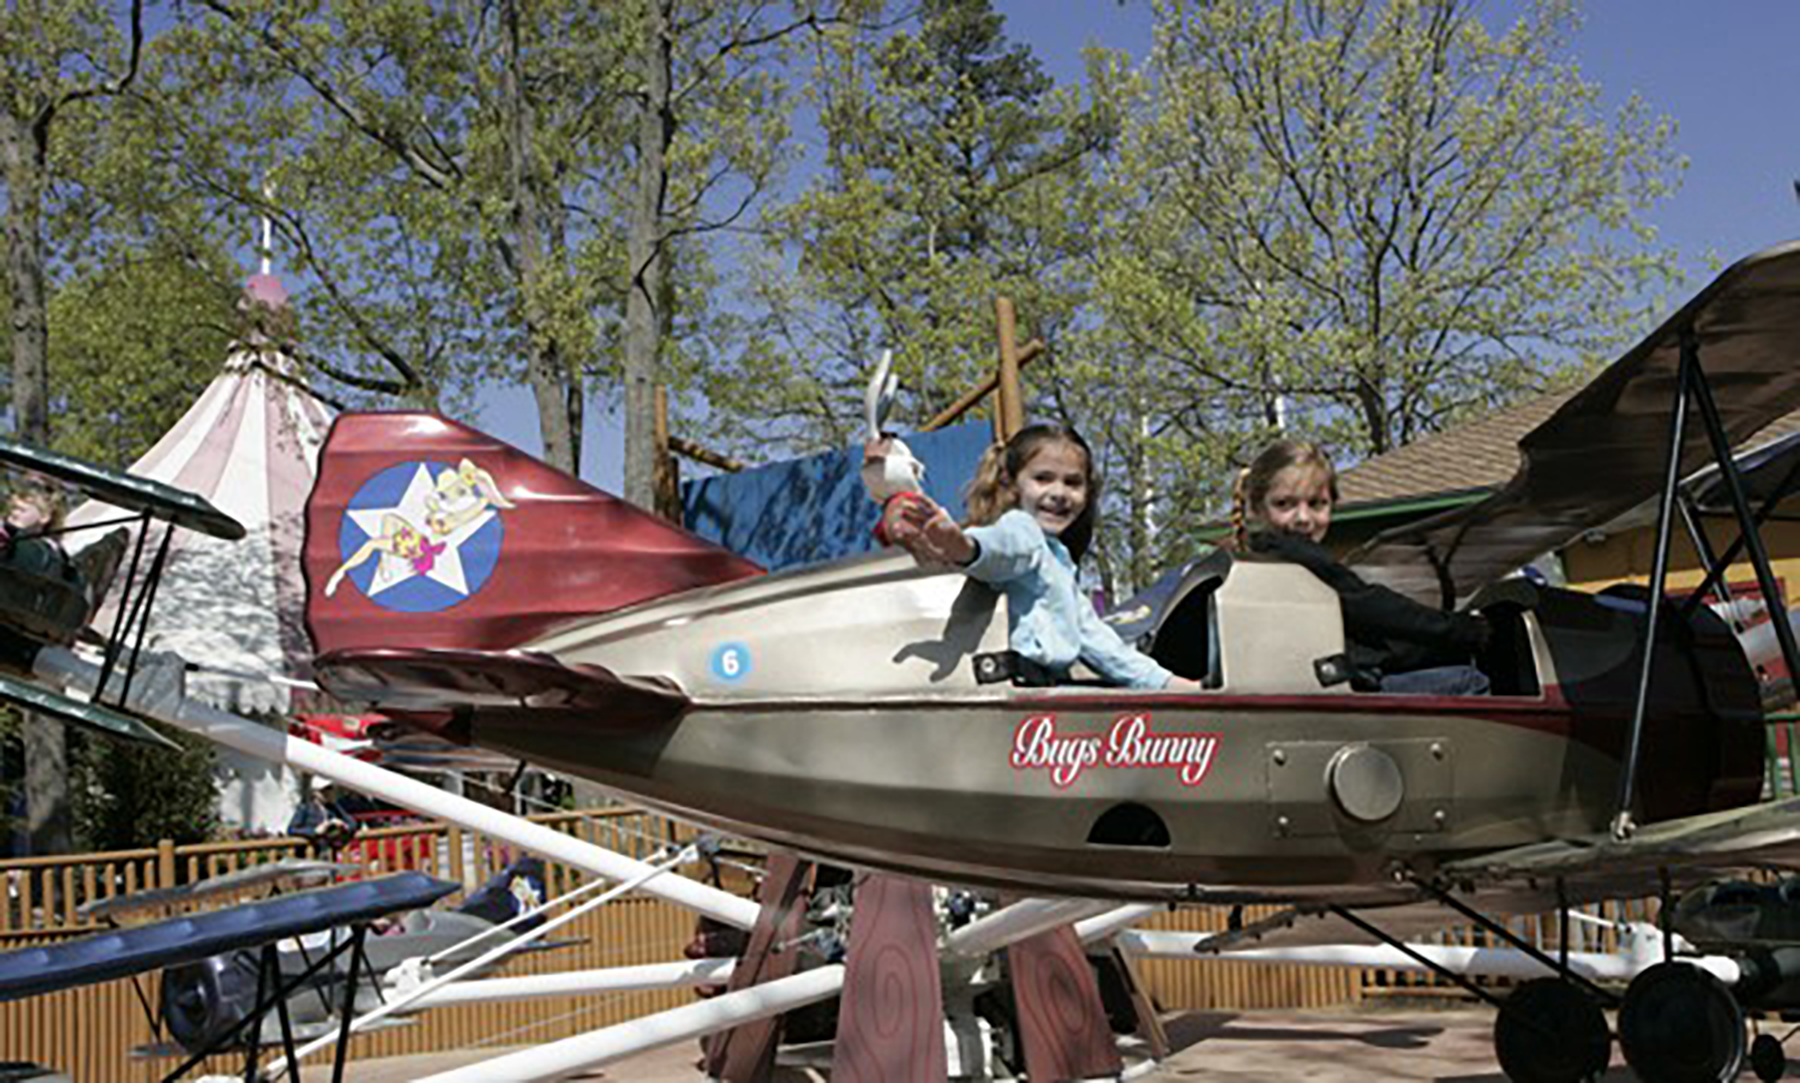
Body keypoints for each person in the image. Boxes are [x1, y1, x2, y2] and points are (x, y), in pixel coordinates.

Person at [885, 423, 1198, 691]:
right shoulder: (1023, 531)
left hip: (1045, 689)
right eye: (1043, 478)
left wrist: (1170, 684)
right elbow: (1000, 549)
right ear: (1011, 484)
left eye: (1072, 482)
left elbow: (1100, 643)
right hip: (1022, 691)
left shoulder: (1056, 561)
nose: (1059, 492)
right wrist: (963, 547)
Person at [1233, 440, 1490, 695]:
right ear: (1256, 508)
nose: (1303, 518)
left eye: (1316, 504)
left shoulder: (1256, 560)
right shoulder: (1299, 556)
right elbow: (1373, 607)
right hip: (1337, 693)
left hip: (1308, 686)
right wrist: (1463, 629)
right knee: (1468, 681)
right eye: (1284, 504)